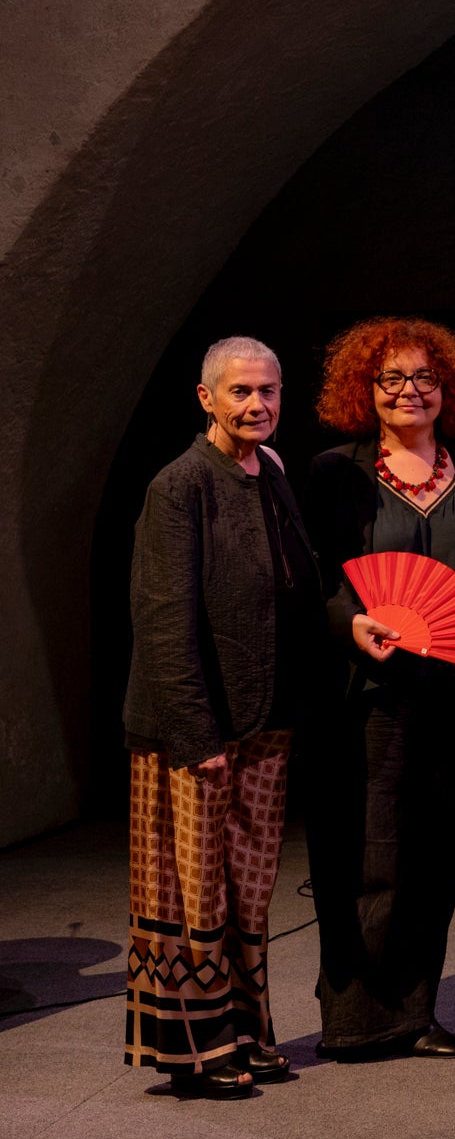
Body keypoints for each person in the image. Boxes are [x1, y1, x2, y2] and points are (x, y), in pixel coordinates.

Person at [123, 336, 323, 1098]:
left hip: (263, 717)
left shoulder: (268, 471)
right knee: (191, 890)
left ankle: (245, 1029)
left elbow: (293, 577)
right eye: (240, 392)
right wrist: (195, 734)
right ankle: (196, 1051)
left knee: (248, 887)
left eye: (268, 391)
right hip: (193, 728)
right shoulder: (179, 486)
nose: (257, 405)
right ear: (207, 398)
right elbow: (164, 619)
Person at [303, 317, 455, 1060]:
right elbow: (313, 578)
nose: (409, 391)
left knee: (438, 851)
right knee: (367, 850)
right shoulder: (336, 471)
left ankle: (418, 1010)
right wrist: (349, 621)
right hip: (369, 695)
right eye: (392, 378)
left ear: (446, 388)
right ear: (367, 389)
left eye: (423, 377)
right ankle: (355, 1018)